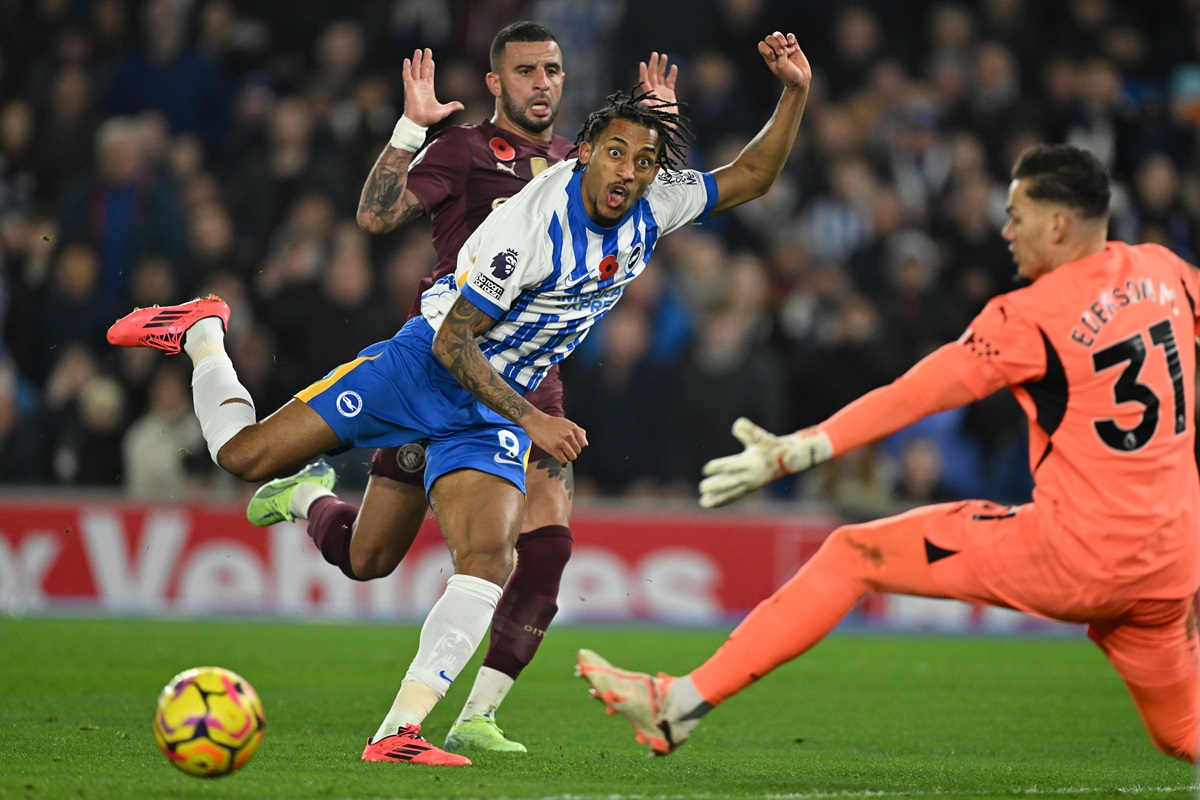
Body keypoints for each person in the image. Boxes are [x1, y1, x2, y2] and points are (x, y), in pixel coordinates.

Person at [107, 30, 813, 766]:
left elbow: (753, 174)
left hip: (498, 401)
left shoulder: (653, 200)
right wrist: (536, 416)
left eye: (643, 161)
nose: (629, 172)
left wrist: (794, 91)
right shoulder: (530, 224)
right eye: (616, 153)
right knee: (242, 458)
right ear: (585, 150)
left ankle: (397, 734)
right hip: (426, 367)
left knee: (488, 556)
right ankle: (204, 336)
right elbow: (451, 341)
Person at [576, 144, 1200, 763]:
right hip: (1172, 565)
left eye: (1017, 215)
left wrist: (800, 449)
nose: (1005, 231)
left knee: (853, 553)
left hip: (1080, 555)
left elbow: (914, 395)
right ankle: (676, 706)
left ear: (1058, 224)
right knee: (1182, 735)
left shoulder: (1031, 315)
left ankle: (677, 704)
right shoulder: (1166, 271)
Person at [241, 22, 678, 755]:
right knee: (369, 558)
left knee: (544, 547)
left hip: (535, 383)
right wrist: (411, 130)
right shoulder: (466, 150)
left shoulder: (585, 158)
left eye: (554, 70)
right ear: (496, 82)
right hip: (449, 365)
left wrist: (655, 128)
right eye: (527, 71)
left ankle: (476, 712)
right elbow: (375, 216)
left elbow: (651, 199)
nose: (543, 83)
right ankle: (308, 497)